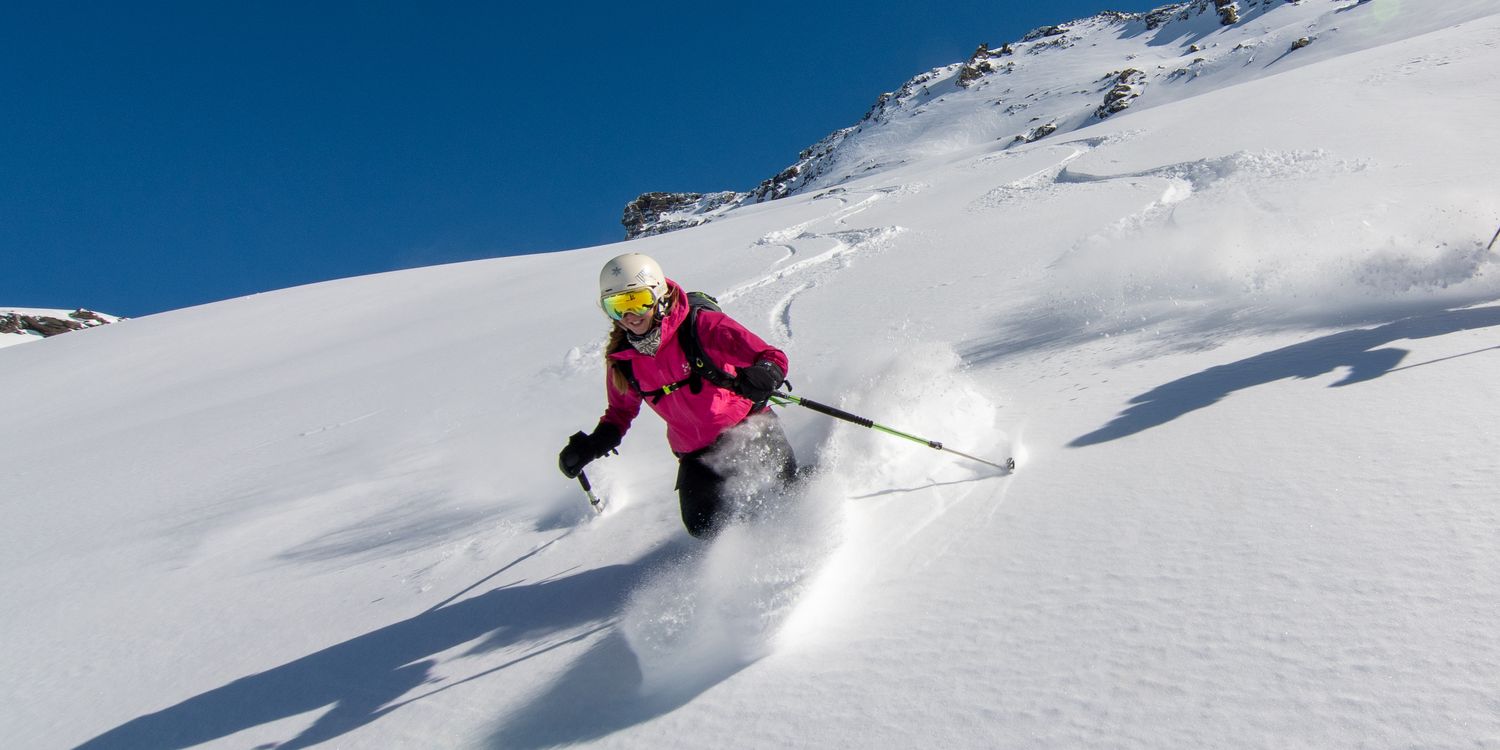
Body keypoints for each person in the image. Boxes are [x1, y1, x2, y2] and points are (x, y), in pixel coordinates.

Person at [559, 252, 798, 537]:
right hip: (697, 453)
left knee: (785, 493)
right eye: (616, 306)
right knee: (704, 526)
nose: (629, 316)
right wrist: (593, 444)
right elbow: (620, 412)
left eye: (636, 301)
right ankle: (747, 562)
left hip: (749, 426)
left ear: (658, 294)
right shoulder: (622, 359)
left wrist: (765, 373)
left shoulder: (701, 326)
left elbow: (770, 356)